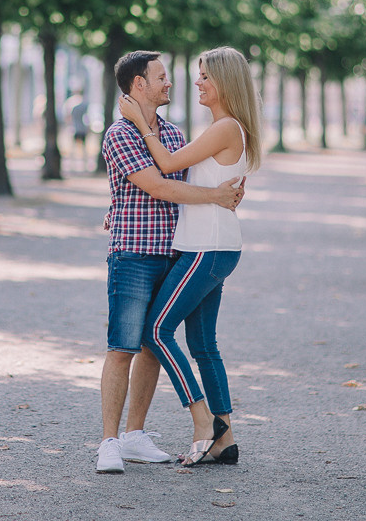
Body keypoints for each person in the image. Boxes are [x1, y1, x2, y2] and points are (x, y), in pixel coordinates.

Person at [96, 50, 244, 474]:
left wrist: (222, 190)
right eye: (162, 76)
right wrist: (216, 196)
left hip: (175, 251)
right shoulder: (120, 134)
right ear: (138, 84)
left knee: (152, 345)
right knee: (124, 346)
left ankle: (135, 435)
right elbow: (160, 186)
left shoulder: (175, 136)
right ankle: (109, 441)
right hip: (134, 254)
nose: (171, 82)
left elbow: (190, 178)